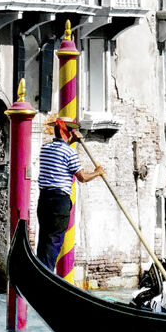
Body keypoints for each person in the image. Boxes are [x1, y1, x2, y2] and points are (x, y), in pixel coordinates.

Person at [37, 117, 105, 272]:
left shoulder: (45, 148)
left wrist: (71, 140)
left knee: (44, 239)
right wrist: (98, 172)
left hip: (44, 200)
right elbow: (82, 178)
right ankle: (46, 275)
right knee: (54, 241)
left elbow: (60, 153)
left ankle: (41, 270)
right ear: (66, 133)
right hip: (59, 202)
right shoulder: (70, 152)